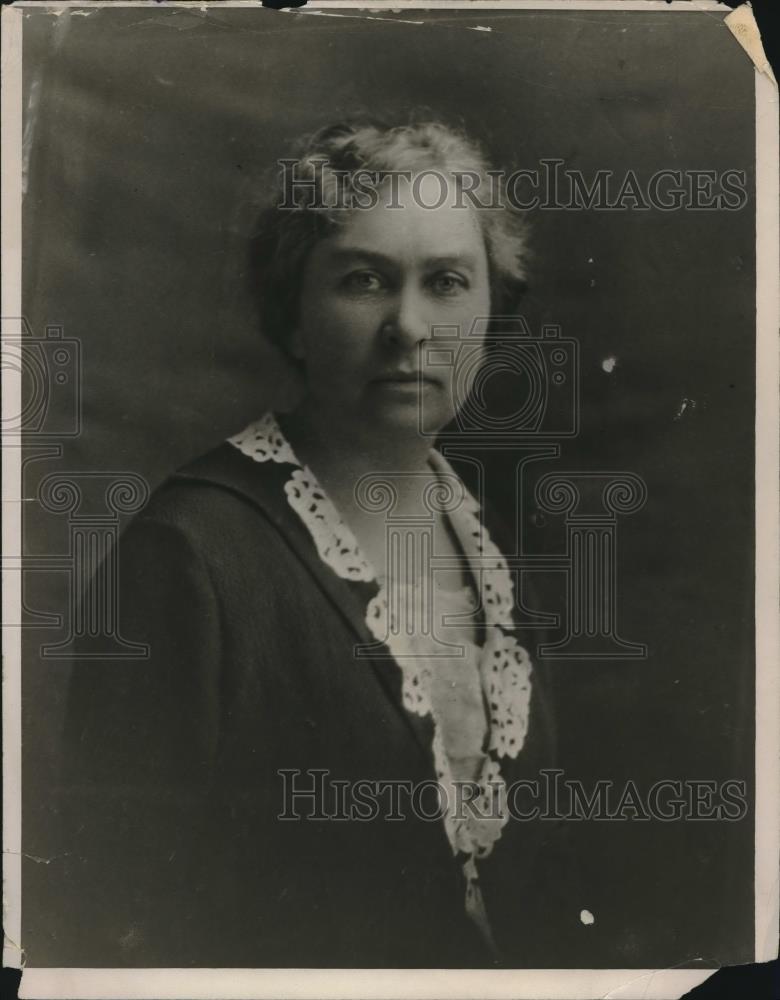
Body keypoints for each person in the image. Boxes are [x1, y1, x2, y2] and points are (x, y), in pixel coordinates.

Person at [55, 119, 598, 968]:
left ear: (491, 308)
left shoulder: (495, 549)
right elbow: (113, 919)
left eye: (448, 282)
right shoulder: (186, 555)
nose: (411, 327)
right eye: (363, 280)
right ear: (294, 314)